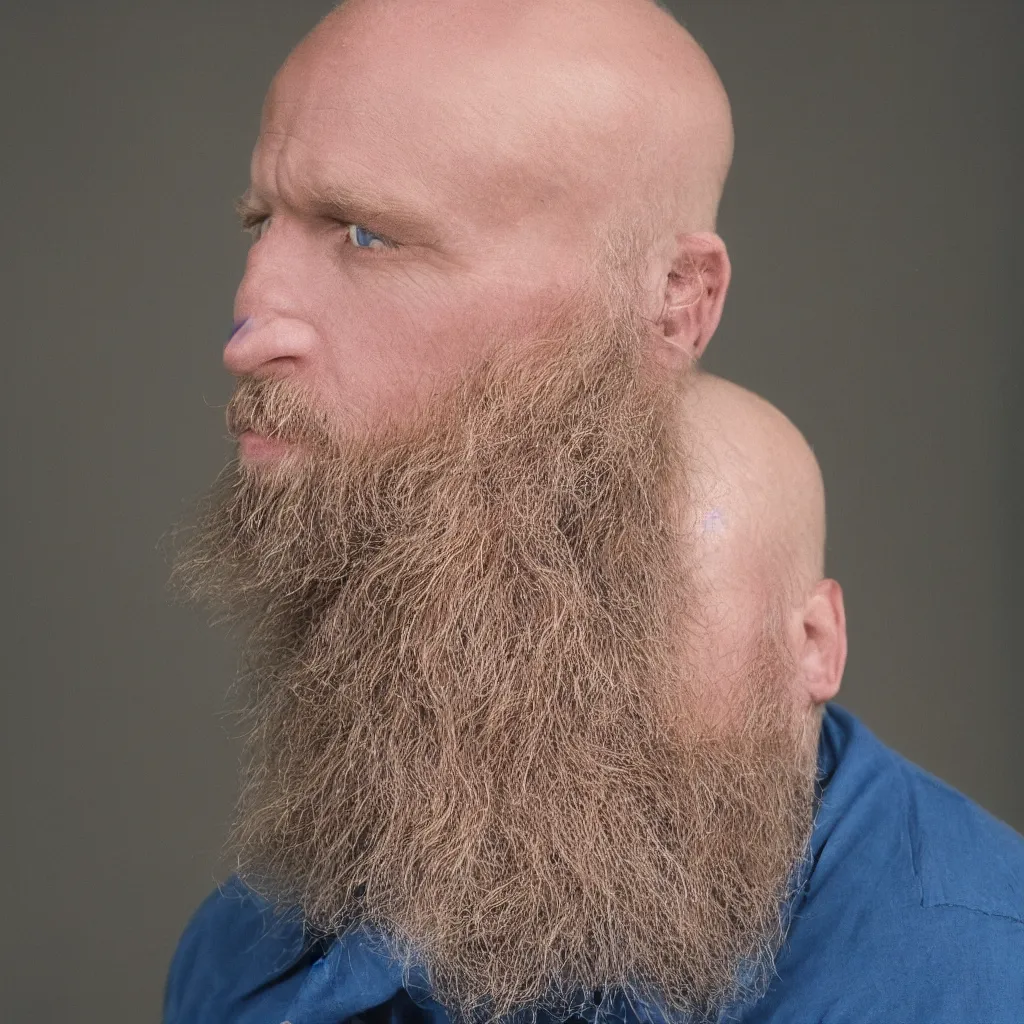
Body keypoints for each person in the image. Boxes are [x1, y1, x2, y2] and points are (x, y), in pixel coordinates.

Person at [165, 1, 1024, 1020]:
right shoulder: (254, 938)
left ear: (671, 299)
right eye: (263, 221)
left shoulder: (961, 972)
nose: (249, 326)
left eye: (368, 235)